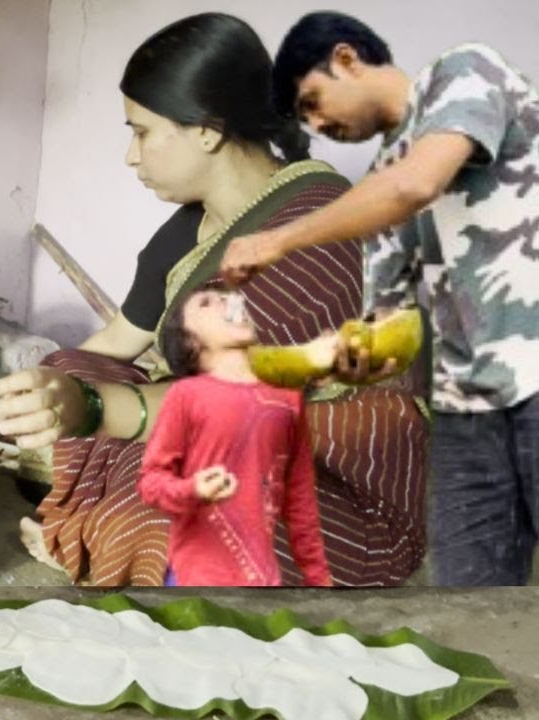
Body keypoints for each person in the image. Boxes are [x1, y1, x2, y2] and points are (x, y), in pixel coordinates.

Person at [0, 12, 428, 586]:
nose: (130, 155)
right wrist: (30, 403)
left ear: (206, 129)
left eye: (141, 131)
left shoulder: (316, 234)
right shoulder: (192, 228)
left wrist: (92, 407)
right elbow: (117, 342)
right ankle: (108, 531)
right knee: (69, 366)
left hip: (335, 481)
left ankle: (128, 546)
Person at [219, 12, 539, 585]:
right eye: (304, 120)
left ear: (346, 58)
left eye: (314, 101)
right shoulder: (379, 183)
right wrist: (340, 359)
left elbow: (419, 183)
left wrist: (279, 240)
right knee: (469, 601)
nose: (317, 125)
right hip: (466, 409)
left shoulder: (464, 69)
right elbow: (390, 330)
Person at [139, 288, 331, 586]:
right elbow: (151, 483)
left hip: (260, 577)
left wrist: (318, 578)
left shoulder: (287, 398)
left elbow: (301, 497)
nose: (228, 301)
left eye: (226, 296)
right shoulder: (186, 396)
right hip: (194, 575)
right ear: (192, 342)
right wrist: (192, 490)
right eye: (206, 302)